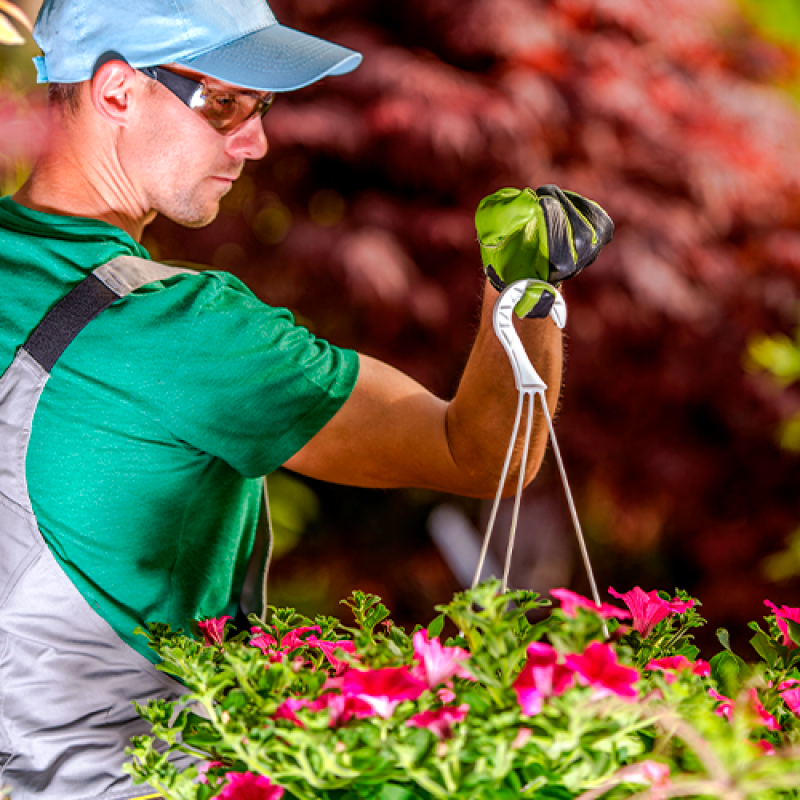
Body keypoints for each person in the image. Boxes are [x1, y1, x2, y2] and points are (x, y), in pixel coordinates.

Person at [0, 0, 613, 796]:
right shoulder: (183, 332)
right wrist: (523, 287)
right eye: (223, 102)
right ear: (117, 91)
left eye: (263, 108)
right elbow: (485, 453)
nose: (254, 142)